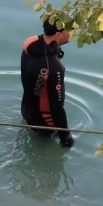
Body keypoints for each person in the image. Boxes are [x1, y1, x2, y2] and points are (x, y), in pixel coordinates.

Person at [20, 18, 74, 147]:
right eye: (69, 29)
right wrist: (66, 138)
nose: (71, 32)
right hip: (45, 122)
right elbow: (57, 107)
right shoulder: (54, 69)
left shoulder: (30, 43)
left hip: (26, 109)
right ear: (58, 34)